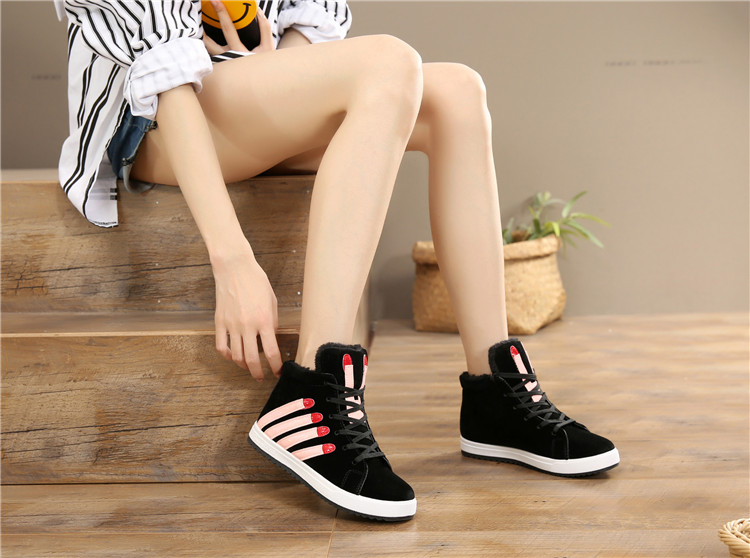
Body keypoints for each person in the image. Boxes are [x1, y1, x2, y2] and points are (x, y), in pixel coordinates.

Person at [57, 0, 619, 522]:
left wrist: (279, 69)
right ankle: (311, 391)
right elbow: (162, 73)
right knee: (388, 62)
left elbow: (310, 25)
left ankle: (494, 391)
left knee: (458, 92)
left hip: (241, 93)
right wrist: (233, 262)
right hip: (151, 118)